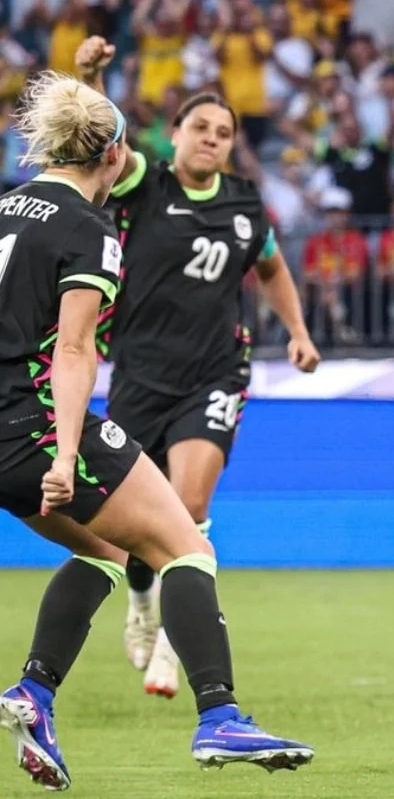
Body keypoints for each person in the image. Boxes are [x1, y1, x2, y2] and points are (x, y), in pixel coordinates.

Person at [0, 71, 313, 792]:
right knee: (188, 548)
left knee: (111, 551)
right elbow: (74, 352)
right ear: (114, 157)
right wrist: (67, 452)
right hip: (36, 427)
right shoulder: (89, 227)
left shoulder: (7, 210)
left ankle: (34, 696)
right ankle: (221, 718)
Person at [72, 36, 321, 698]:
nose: (211, 140)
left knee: (189, 504)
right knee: (130, 527)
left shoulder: (244, 205)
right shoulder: (145, 186)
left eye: (224, 133)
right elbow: (103, 144)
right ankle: (144, 604)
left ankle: (173, 653)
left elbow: (271, 268)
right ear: (175, 133)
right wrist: (95, 75)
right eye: (201, 128)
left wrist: (297, 332)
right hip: (139, 375)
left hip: (215, 373)